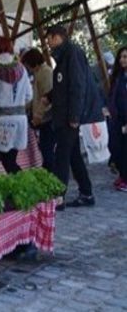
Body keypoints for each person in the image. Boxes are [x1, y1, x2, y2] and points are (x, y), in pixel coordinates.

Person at [46, 25, 104, 208]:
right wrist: (49, 96)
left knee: (61, 155)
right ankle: (86, 193)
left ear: (57, 37)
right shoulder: (63, 56)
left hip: (69, 116)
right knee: (72, 155)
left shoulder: (73, 53)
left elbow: (77, 86)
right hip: (64, 114)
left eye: (49, 38)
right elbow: (63, 86)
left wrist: (74, 116)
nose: (47, 42)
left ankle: (58, 197)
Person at [0, 36, 32, 176]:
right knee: (10, 162)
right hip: (18, 122)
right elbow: (29, 96)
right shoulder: (21, 68)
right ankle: (22, 190)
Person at [21, 48, 55, 172]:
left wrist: (38, 115)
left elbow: (47, 98)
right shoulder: (39, 73)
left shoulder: (46, 72)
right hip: (43, 118)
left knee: (47, 150)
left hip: (48, 119)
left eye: (27, 65)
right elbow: (36, 97)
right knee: (45, 149)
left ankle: (52, 175)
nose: (27, 69)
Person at [106, 46, 127, 192]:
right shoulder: (118, 76)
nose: (122, 60)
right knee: (116, 147)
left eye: (125, 57)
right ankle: (123, 175)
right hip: (117, 119)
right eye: (121, 57)